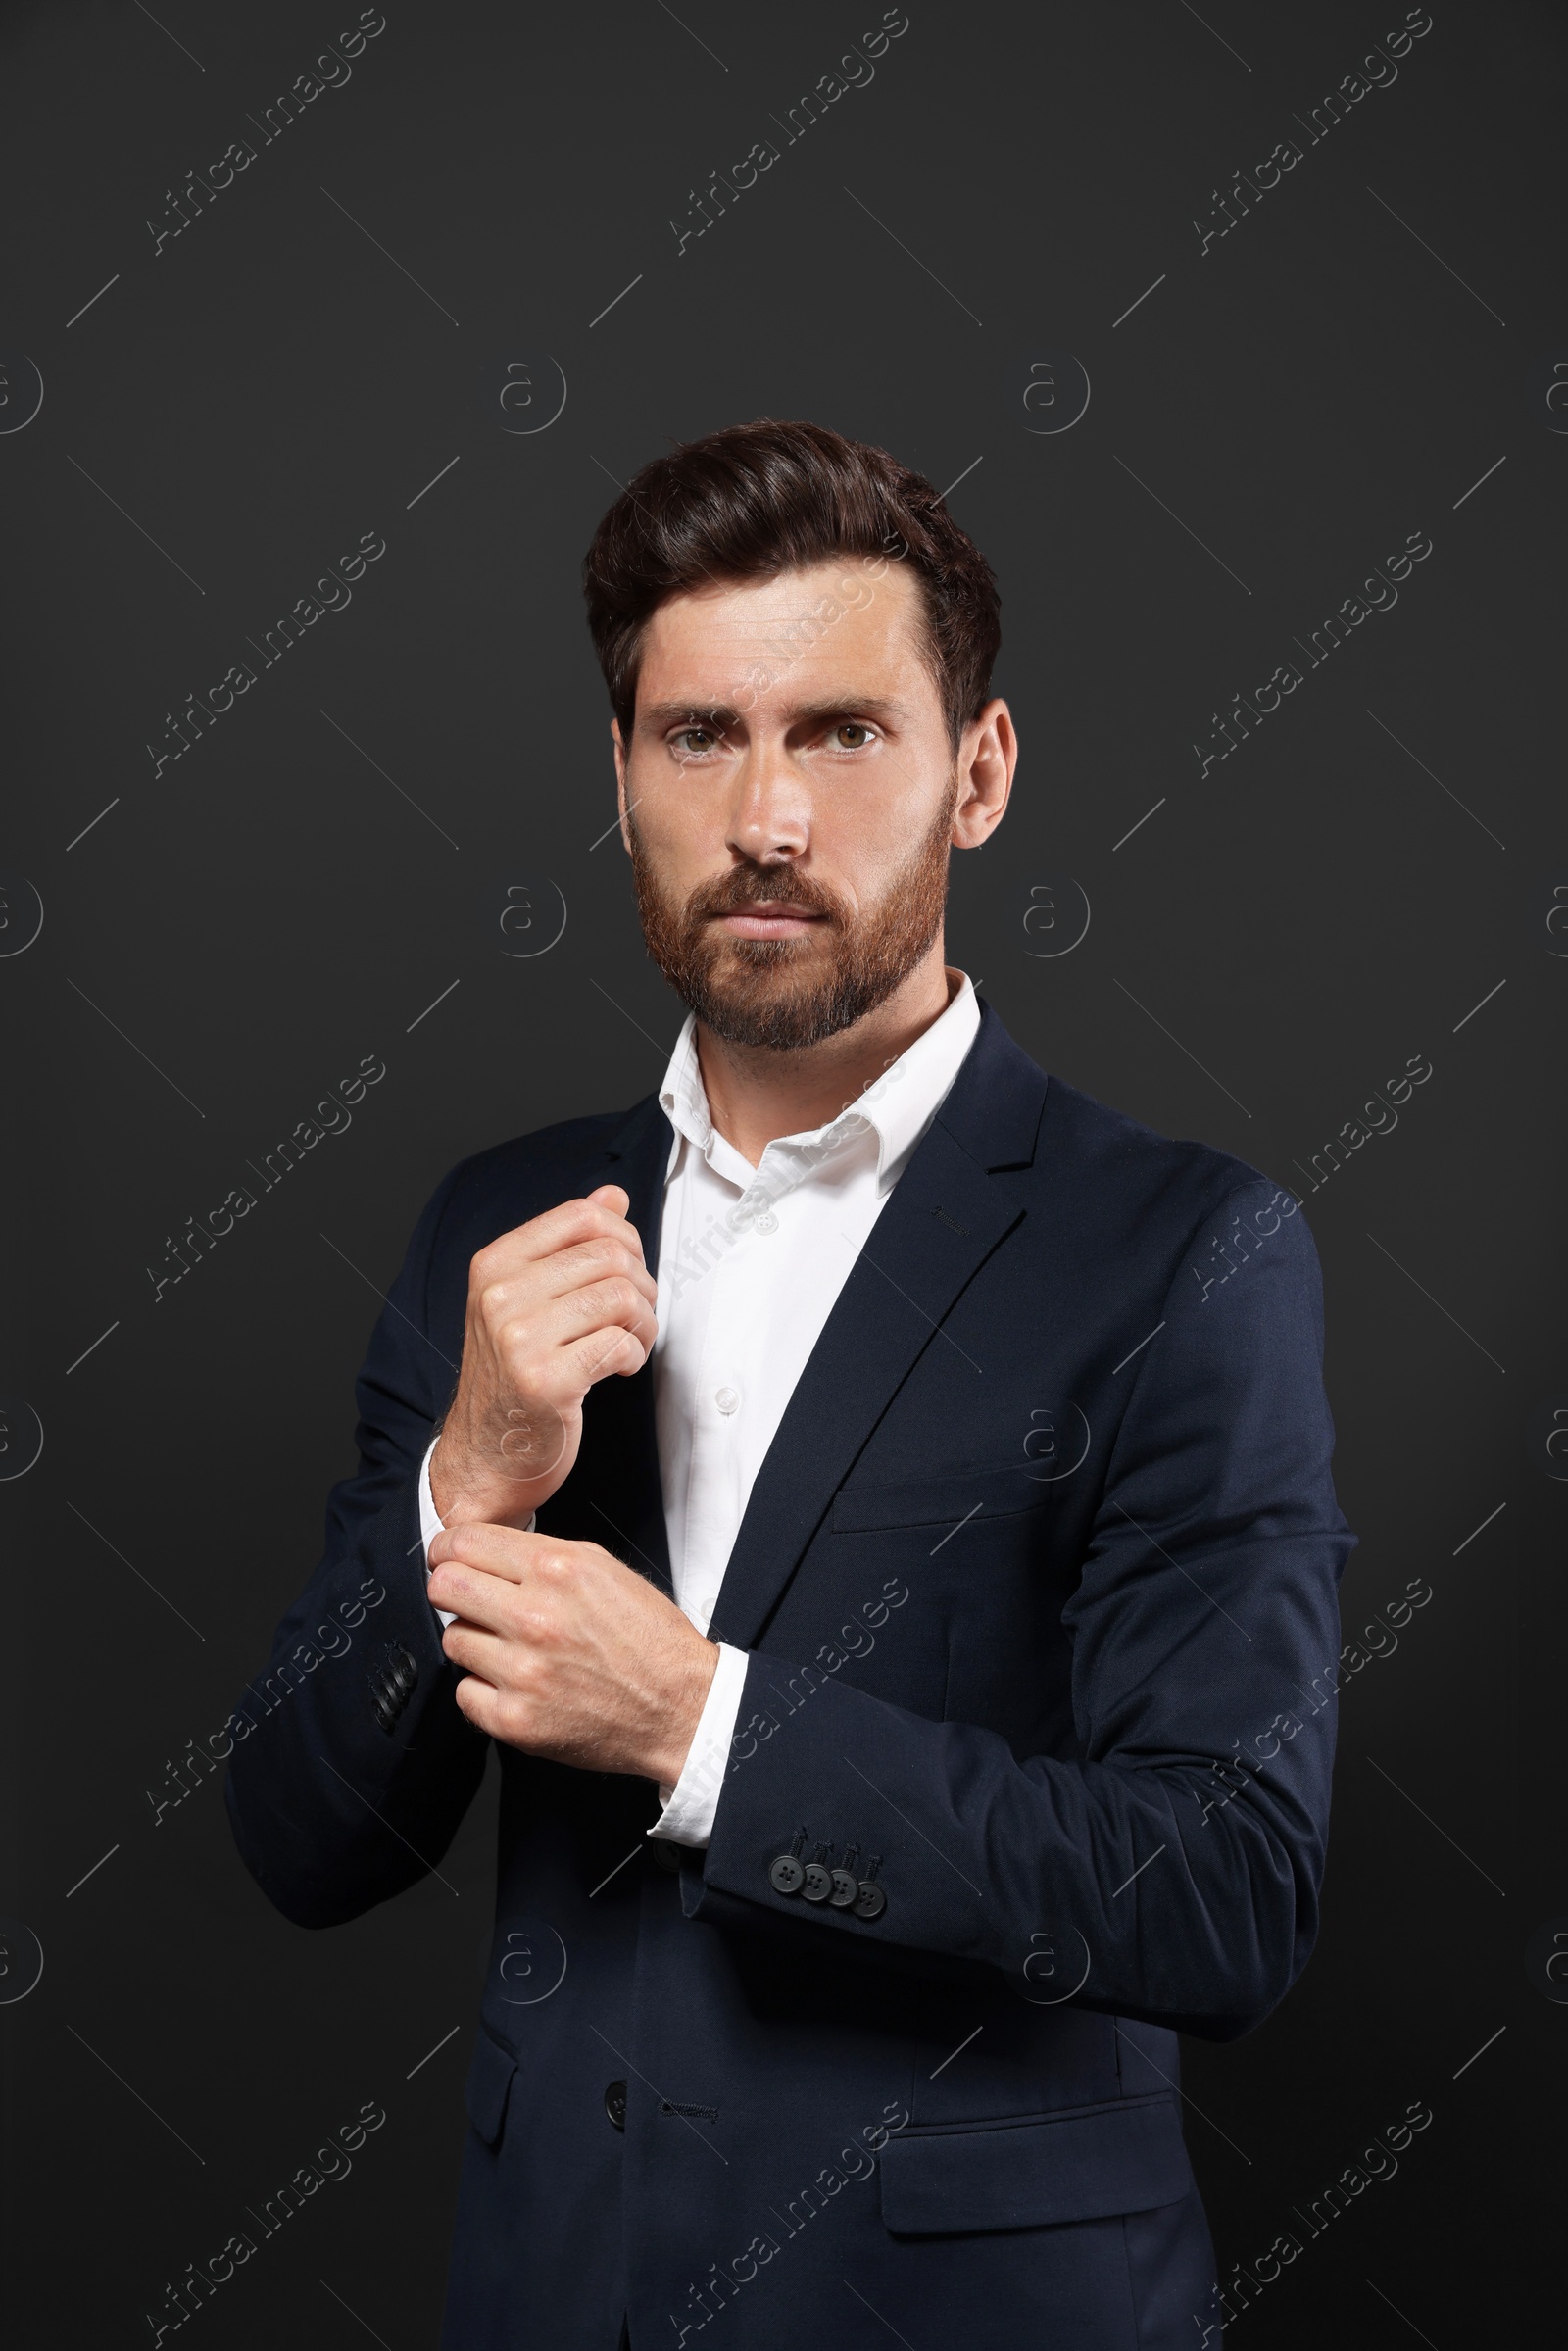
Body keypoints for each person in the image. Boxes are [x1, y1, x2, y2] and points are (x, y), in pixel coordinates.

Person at [226, 418, 1354, 2349]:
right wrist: (463, 1489)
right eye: (700, 737)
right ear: (619, 776)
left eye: (840, 733)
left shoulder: (1184, 1253)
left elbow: (1220, 1891)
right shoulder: (498, 1223)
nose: (765, 817)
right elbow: (303, 1842)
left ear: (974, 776)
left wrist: (701, 1729)